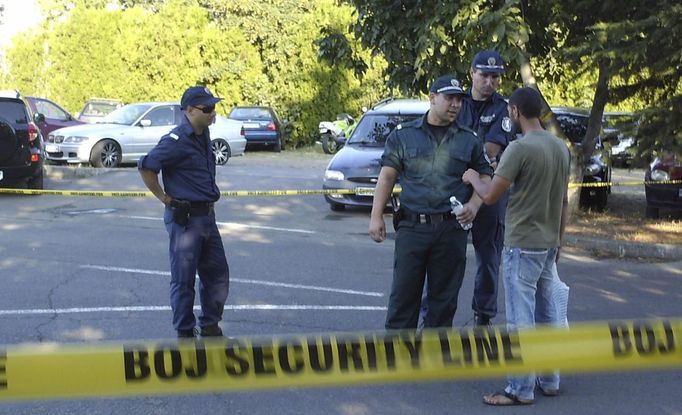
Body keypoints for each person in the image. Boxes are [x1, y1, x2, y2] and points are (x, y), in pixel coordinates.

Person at [462, 87, 571, 405]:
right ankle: (549, 379)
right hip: (548, 243)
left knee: (521, 319)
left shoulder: (519, 149)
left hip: (522, 244)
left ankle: (520, 389)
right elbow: (563, 201)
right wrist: (559, 239)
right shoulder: (559, 148)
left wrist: (473, 177)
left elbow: (491, 194)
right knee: (548, 314)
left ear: (514, 112)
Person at [369, 74, 493, 330]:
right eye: (449, 98)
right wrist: (376, 215)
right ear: (432, 98)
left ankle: (432, 359)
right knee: (404, 297)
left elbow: (485, 175)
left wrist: (473, 205)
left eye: (459, 100)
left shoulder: (468, 139)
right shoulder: (404, 136)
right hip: (413, 228)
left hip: (451, 230)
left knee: (444, 302)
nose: (455, 105)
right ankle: (398, 359)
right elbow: (387, 177)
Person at [138, 86, 229, 338]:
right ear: (189, 111)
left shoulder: (203, 134)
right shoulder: (176, 141)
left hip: (207, 218)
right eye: (207, 108)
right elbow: (147, 167)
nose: (213, 113)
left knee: (218, 276)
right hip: (186, 221)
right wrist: (165, 198)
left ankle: (210, 325)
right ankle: (185, 334)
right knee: (183, 281)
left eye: (214, 108)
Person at [458, 50, 516, 326]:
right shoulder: (457, 102)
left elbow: (490, 156)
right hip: (456, 188)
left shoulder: (502, 108)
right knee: (445, 253)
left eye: (495, 77)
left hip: (490, 193)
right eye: (484, 75)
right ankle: (434, 313)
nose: (490, 82)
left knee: (488, 256)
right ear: (472, 73)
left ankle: (483, 315)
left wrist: (475, 201)